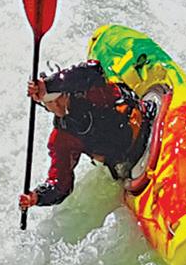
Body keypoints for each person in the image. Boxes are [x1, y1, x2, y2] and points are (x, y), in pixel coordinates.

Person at [18, 61, 152, 209]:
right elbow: (60, 185)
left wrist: (49, 85)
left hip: (146, 123)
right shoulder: (62, 138)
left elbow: (94, 70)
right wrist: (37, 197)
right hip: (130, 160)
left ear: (66, 91)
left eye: (58, 98)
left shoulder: (88, 90)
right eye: (50, 102)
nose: (56, 105)